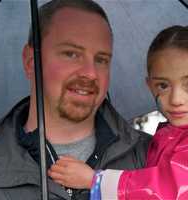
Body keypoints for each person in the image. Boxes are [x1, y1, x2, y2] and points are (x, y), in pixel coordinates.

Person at [0, 0, 151, 200]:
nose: (90, 73)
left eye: (101, 59)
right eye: (71, 54)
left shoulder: (157, 161)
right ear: (31, 61)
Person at [48, 25, 188, 200]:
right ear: (150, 85)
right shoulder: (165, 136)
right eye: (163, 85)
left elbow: (169, 190)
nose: (176, 99)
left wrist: (94, 180)